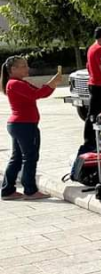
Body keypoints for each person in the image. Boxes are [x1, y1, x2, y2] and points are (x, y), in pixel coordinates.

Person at [2, 57, 60, 201]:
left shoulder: (18, 82)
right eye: (23, 66)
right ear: (13, 69)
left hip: (20, 125)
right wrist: (52, 83)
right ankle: (30, 190)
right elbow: (36, 94)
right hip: (24, 126)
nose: (27, 69)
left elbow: (42, 93)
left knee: (16, 159)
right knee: (30, 157)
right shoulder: (15, 83)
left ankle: (8, 191)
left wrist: (53, 84)